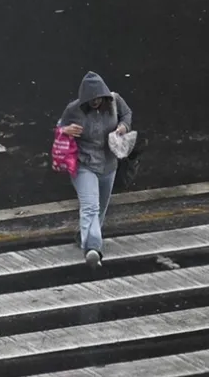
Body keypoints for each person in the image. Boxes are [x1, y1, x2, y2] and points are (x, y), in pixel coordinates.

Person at [58, 71, 132, 269]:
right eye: (91, 99)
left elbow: (127, 114)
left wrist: (123, 127)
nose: (96, 102)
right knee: (90, 206)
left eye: (99, 98)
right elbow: (60, 126)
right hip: (84, 164)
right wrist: (64, 130)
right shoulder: (73, 109)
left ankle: (85, 234)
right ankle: (92, 248)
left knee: (100, 208)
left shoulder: (115, 101)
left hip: (109, 164)